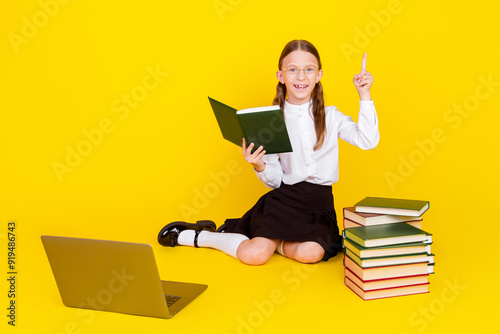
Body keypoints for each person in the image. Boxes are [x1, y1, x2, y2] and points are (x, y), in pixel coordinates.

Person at [158, 39, 379, 265]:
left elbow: (368, 140)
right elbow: (275, 181)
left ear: (319, 75)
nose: (301, 77)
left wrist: (364, 94)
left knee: (311, 254)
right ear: (281, 76)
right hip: (283, 201)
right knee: (254, 255)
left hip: (318, 205)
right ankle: (198, 235)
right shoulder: (272, 121)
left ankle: (274, 242)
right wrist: (259, 165)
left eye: (308, 69)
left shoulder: (331, 116)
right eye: (292, 70)